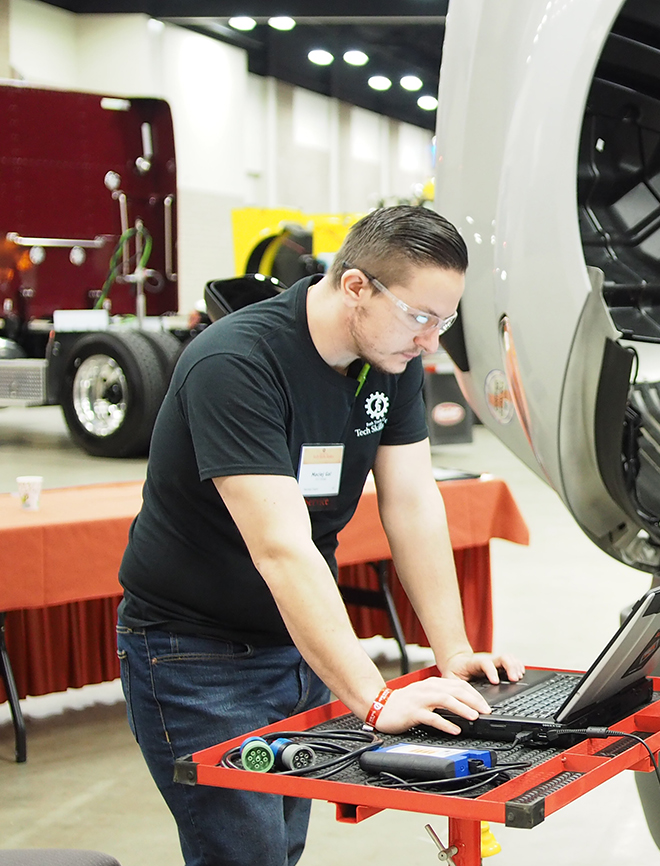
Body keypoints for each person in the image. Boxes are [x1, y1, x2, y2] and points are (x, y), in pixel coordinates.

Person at [116, 205, 522, 866]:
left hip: (295, 646)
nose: (430, 343)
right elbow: (281, 546)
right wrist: (375, 696)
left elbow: (414, 503)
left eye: (443, 321)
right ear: (357, 286)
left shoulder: (391, 362)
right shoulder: (237, 363)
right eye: (420, 317)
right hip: (193, 657)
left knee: (283, 847)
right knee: (246, 856)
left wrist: (453, 652)